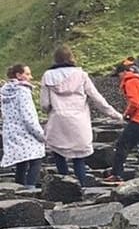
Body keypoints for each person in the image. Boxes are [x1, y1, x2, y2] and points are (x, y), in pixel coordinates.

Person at [40, 46, 122, 185]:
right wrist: (115, 115)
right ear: (71, 57)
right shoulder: (81, 75)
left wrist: (49, 110)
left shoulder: (48, 76)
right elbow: (97, 98)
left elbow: (44, 103)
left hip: (58, 120)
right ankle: (83, 187)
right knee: (79, 159)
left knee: (59, 154)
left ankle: (64, 185)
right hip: (79, 121)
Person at [2, 64, 45, 188]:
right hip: (25, 131)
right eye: (27, 74)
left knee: (22, 161)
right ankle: (29, 189)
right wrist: (41, 135)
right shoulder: (23, 91)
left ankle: (18, 188)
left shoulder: (5, 91)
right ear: (18, 75)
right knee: (36, 159)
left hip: (11, 131)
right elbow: (28, 117)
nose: (30, 77)